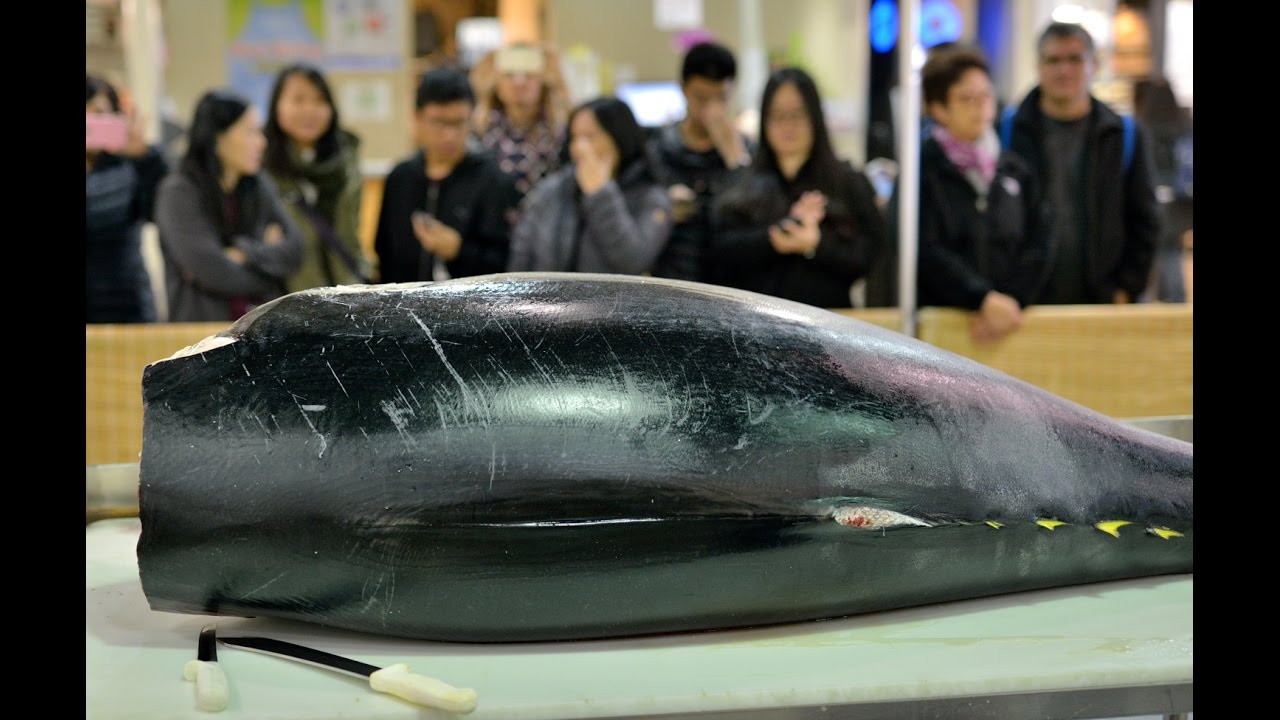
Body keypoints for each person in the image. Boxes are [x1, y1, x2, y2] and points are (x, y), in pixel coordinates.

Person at [1002, 21, 1161, 305]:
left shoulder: (1124, 134)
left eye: (1074, 59)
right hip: (1023, 302)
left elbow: (1145, 219)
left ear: (1094, 65)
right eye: (1053, 60)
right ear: (1039, 66)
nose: (1063, 70)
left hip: (1102, 299)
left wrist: (1127, 289)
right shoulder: (1008, 130)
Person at [902, 45, 1047, 344]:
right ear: (939, 108)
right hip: (943, 331)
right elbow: (926, 249)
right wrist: (980, 299)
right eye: (967, 98)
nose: (980, 106)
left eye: (986, 95)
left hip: (1010, 324)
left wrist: (1010, 302)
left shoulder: (1013, 168)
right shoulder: (922, 169)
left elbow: (1039, 240)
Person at [711, 67, 885, 309]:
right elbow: (720, 253)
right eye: (777, 115)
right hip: (756, 328)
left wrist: (816, 245)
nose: (787, 126)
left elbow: (871, 257)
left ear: (815, 117)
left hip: (831, 330)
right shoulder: (740, 183)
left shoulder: (848, 181)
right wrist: (777, 236)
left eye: (797, 114)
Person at [154, 89, 303, 322]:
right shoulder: (179, 192)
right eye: (251, 132)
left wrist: (244, 253)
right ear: (218, 137)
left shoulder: (258, 185)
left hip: (257, 332)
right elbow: (214, 272)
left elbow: (295, 250)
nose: (262, 143)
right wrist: (270, 270)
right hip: (199, 338)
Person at [375, 66, 520, 283]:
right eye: (439, 122)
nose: (450, 135)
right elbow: (384, 252)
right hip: (403, 307)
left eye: (459, 123)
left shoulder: (493, 180)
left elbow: (507, 264)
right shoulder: (400, 178)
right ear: (418, 118)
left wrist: (458, 251)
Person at [507, 96, 672, 274]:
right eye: (575, 137)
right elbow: (522, 253)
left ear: (619, 138)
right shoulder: (553, 188)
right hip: (548, 300)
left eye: (590, 137)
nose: (579, 147)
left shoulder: (651, 197)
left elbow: (633, 262)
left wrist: (600, 193)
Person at [647, 41, 755, 282]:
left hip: (733, 285)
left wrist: (735, 158)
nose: (711, 110)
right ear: (683, 89)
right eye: (701, 99)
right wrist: (663, 208)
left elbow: (757, 219)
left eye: (721, 98)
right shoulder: (659, 149)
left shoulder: (748, 151)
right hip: (673, 282)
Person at [263, 63, 371, 291]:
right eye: (298, 100)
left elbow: (352, 233)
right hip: (284, 297)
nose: (310, 110)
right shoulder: (261, 166)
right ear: (277, 107)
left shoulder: (346, 162)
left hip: (346, 290)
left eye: (320, 100)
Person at [86, 73, 169, 323]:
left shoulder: (132, 166)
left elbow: (162, 212)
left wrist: (144, 157)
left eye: (99, 113)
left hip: (126, 304)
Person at [469, 43, 570, 199]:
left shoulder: (561, 132)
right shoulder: (478, 131)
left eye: (529, 74)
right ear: (497, 83)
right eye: (509, 74)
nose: (519, 82)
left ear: (542, 81)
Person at [1133, 76, 1192, 303]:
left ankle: (1148, 305)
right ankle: (1175, 307)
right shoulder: (1185, 122)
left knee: (1155, 256)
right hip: (1181, 203)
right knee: (1170, 253)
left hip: (1157, 201)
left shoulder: (1145, 126)